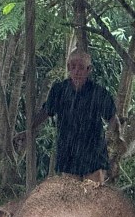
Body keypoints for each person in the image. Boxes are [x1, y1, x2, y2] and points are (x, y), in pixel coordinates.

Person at [16, 50, 126, 183]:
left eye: (81, 67)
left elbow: (112, 117)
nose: (76, 71)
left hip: (93, 153)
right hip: (68, 152)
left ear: (88, 69)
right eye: (73, 67)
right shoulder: (59, 90)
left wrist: (118, 136)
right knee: (71, 196)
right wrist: (29, 130)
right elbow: (45, 111)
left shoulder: (98, 93)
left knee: (93, 195)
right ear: (68, 67)